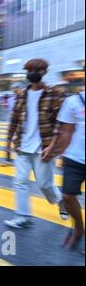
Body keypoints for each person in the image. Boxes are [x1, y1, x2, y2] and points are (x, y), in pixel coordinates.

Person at [4, 59, 68, 228]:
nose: (32, 73)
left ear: (44, 72)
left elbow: (60, 124)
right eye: (29, 70)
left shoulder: (55, 94)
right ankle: (22, 216)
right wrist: (7, 143)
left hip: (44, 148)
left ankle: (61, 201)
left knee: (45, 185)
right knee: (20, 181)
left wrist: (53, 148)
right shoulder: (20, 95)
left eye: (36, 70)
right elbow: (14, 120)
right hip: (22, 146)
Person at [46, 77, 85, 251]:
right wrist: (61, 154)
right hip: (75, 158)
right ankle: (78, 227)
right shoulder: (73, 101)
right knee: (68, 197)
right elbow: (66, 132)